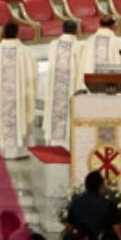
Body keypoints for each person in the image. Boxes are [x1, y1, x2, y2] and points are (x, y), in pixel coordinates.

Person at [0, 23, 37, 159]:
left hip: (2, 96)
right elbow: (32, 74)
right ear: (17, 33)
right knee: (20, 115)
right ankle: (19, 151)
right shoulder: (24, 51)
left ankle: (3, 149)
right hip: (19, 96)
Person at [42, 20, 80, 148]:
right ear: (76, 31)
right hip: (70, 87)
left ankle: (53, 142)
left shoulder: (53, 45)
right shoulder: (78, 46)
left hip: (55, 87)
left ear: (62, 29)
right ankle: (68, 144)